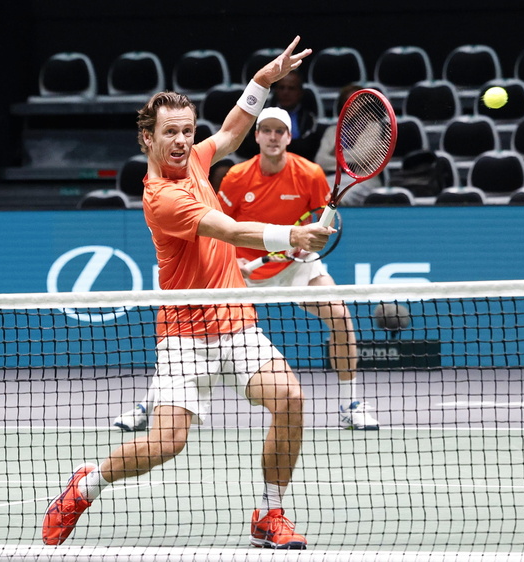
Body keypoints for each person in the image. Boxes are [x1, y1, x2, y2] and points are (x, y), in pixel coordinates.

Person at [41, 37, 327, 550]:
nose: (181, 141)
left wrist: (263, 81)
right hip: (184, 336)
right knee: (166, 444)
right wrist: (292, 237)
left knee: (290, 397)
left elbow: (234, 131)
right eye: (169, 133)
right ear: (146, 139)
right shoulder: (163, 199)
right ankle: (85, 486)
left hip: (236, 322)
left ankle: (270, 512)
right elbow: (231, 231)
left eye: (186, 131)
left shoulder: (194, 160)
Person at [115, 107, 380, 433]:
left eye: (279, 131)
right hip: (245, 266)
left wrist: (308, 239)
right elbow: (221, 227)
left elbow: (320, 220)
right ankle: (149, 404)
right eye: (265, 130)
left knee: (338, 314)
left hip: (293, 262)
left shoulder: (309, 173)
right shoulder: (238, 177)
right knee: (188, 330)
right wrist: (237, 259)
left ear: (288, 136)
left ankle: (350, 404)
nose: (272, 136)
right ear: (256, 136)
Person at [314, 83, 385, 205]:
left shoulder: (374, 127)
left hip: (362, 180)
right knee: (318, 194)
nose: (352, 105)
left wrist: (335, 154)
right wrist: (349, 159)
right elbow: (320, 160)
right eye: (347, 101)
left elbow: (361, 158)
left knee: (342, 199)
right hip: (334, 179)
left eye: (357, 101)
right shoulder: (331, 131)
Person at [269, 70, 322, 160]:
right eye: (281, 88)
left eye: (291, 88)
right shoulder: (264, 117)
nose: (285, 93)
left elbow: (307, 148)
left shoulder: (309, 119)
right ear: (276, 91)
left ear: (300, 93)